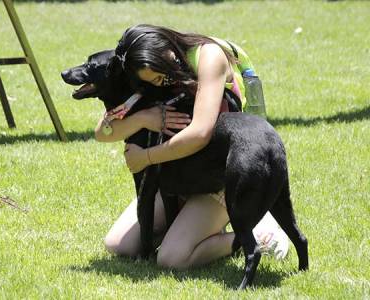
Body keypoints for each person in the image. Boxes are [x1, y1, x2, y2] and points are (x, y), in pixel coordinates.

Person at [95, 24, 289, 269]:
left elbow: (200, 133)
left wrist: (146, 157)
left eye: (159, 77)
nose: (159, 83)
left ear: (167, 52)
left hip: (221, 176)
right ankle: (191, 230)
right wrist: (144, 118)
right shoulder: (142, 67)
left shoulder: (209, 56)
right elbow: (103, 131)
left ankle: (257, 236)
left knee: (172, 259)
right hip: (177, 178)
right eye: (151, 81)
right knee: (118, 245)